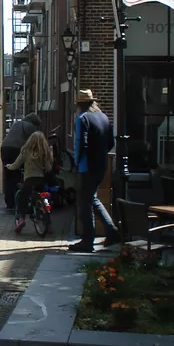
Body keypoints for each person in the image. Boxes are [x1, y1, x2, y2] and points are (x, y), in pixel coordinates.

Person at [69, 89, 121, 252]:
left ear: (79, 104)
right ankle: (112, 232)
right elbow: (110, 143)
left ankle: (87, 241)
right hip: (101, 166)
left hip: (87, 167)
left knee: (84, 204)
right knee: (92, 199)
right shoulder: (104, 117)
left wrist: (76, 161)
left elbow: (80, 143)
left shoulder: (82, 118)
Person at [6, 131, 54, 234]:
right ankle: (49, 225)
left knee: (21, 198)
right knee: (43, 199)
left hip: (29, 180)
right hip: (40, 180)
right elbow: (49, 168)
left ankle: (21, 219)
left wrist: (9, 166)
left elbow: (16, 164)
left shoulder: (25, 151)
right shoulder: (44, 153)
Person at [1, 113, 42, 209]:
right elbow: (35, 142)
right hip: (16, 149)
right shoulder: (31, 127)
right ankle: (20, 202)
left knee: (9, 175)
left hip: (4, 148)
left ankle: (9, 203)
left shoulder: (16, 124)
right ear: (35, 123)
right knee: (19, 175)